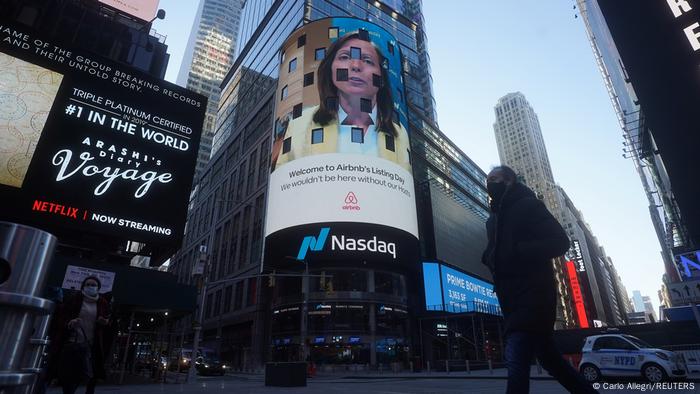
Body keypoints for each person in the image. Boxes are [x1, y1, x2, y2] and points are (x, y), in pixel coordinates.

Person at [481, 166, 597, 394]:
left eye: (494, 179)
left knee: (515, 355)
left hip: (534, 296)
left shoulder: (527, 205)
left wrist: (519, 251)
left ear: (509, 181)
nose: (490, 184)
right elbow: (497, 254)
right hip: (511, 300)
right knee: (551, 360)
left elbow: (560, 242)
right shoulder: (492, 220)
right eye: (488, 180)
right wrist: (489, 257)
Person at [271, 31, 410, 172]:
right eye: (345, 57)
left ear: (381, 76)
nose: (356, 65)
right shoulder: (299, 125)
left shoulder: (400, 135)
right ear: (330, 68)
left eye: (368, 60)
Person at [49, 276, 111, 394]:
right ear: (83, 286)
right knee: (69, 375)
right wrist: (69, 323)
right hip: (72, 343)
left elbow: (108, 320)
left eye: (94, 285)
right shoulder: (75, 299)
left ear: (98, 288)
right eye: (88, 284)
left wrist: (105, 322)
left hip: (91, 344)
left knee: (87, 373)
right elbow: (61, 317)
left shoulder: (102, 303)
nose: (91, 287)